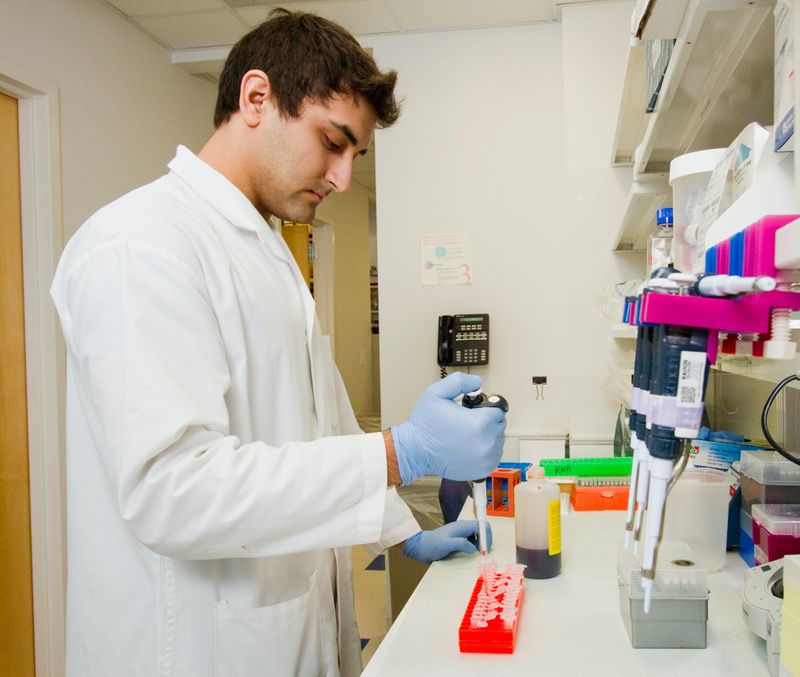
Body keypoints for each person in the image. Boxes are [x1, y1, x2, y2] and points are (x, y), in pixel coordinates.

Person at [50, 9, 506, 677]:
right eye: (333, 141)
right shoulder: (141, 245)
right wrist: (399, 451)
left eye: (355, 154)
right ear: (257, 97)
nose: (343, 177)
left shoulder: (267, 254)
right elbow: (174, 490)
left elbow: (318, 426)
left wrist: (404, 531)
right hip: (189, 651)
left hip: (284, 633)